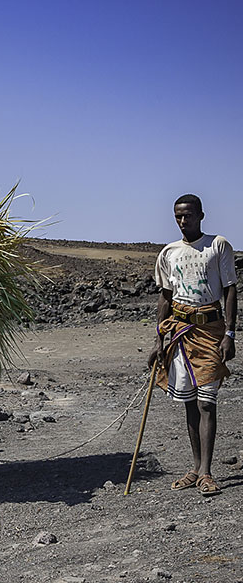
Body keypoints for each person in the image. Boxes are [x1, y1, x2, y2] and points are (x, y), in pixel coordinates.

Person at [148, 193, 237, 496]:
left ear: (201, 215)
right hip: (180, 330)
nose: (183, 221)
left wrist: (230, 333)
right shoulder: (168, 253)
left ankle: (208, 473)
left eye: (188, 215)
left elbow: (229, 290)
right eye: (178, 216)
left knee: (206, 403)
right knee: (188, 402)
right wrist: (158, 339)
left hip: (210, 330)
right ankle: (196, 468)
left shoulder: (218, 246)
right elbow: (165, 297)